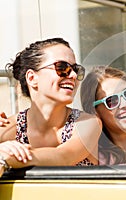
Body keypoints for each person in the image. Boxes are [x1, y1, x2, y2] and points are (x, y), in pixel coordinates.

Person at [0, 38, 102, 177]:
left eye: (76, 69)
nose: (73, 76)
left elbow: (63, 157)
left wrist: (10, 156)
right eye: (62, 67)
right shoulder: (8, 127)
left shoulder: (87, 123)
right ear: (31, 78)